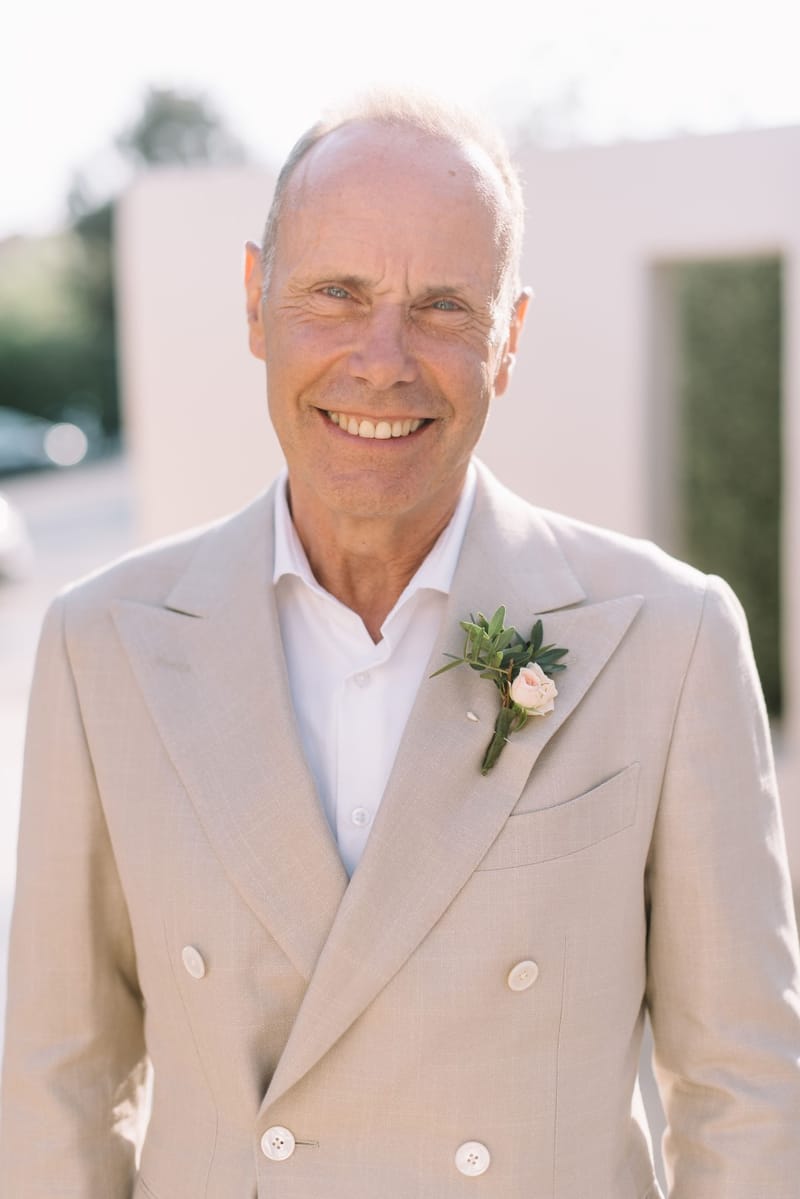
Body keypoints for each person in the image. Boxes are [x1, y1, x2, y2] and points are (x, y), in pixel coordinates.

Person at [2, 92, 799, 1199]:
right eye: (336, 294)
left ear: (508, 335)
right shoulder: (102, 645)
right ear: (254, 301)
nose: (382, 361)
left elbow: (743, 1089)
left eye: (441, 307)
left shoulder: (667, 638)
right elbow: (59, 1082)